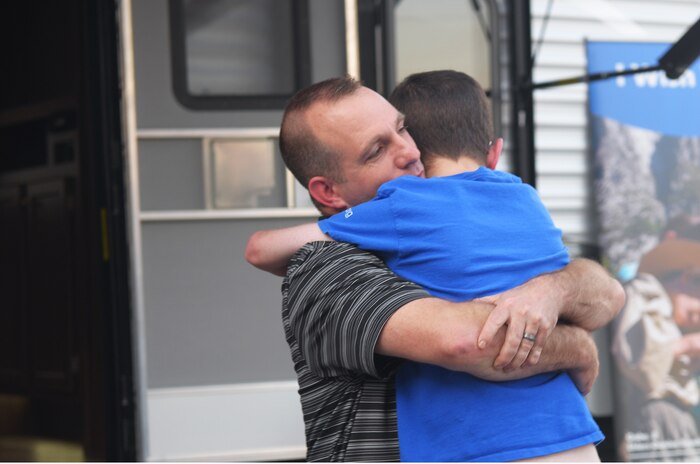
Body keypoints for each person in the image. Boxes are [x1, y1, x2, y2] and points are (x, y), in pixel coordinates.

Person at [246, 74, 625, 461]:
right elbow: (470, 341)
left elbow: (608, 291)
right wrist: (576, 344)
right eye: (376, 150)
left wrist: (552, 290)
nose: (411, 152)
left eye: (402, 128)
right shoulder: (323, 266)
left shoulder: (428, 215)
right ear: (328, 192)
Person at [612, 215, 700, 461]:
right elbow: (639, 364)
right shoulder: (645, 291)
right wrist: (688, 345)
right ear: (687, 278)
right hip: (655, 419)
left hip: (676, 421)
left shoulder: (668, 313)